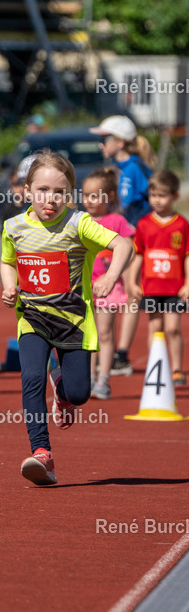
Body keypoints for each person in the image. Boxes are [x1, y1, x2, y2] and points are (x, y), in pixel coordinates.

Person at [1, 151, 132, 486]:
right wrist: (9, 286)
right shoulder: (13, 227)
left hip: (73, 322)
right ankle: (42, 452)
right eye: (43, 190)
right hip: (32, 319)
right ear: (27, 190)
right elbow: (8, 261)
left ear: (70, 195)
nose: (51, 198)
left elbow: (123, 246)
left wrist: (110, 277)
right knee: (30, 378)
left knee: (80, 394)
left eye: (60, 192)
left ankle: (62, 388)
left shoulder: (79, 224)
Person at [91, 115, 156, 376]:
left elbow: (135, 205)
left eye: (104, 139)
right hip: (120, 238)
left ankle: (121, 355)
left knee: (130, 293)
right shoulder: (118, 169)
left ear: (119, 142)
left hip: (134, 239)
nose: (101, 145)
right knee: (111, 294)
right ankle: (108, 351)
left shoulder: (133, 168)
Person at [129, 170, 189, 386]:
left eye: (162, 195)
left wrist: (188, 284)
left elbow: (186, 257)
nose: (157, 200)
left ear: (174, 196)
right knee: (155, 329)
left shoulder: (181, 224)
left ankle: (176, 369)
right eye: (153, 195)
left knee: (173, 328)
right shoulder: (144, 224)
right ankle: (156, 368)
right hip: (151, 287)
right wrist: (132, 282)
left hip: (174, 288)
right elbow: (138, 255)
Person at [81, 168, 135, 400]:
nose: (89, 201)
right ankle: (88, 377)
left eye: (95, 195)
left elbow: (130, 252)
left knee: (104, 332)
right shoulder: (79, 221)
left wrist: (116, 275)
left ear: (109, 196)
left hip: (109, 287)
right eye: (85, 195)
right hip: (84, 287)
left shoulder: (117, 221)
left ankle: (103, 379)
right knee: (86, 334)